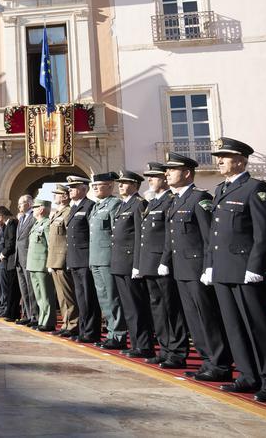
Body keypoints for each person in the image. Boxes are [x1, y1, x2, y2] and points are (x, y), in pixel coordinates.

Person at [206, 137, 266, 402]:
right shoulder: (221, 189)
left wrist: (256, 267)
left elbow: (264, 233)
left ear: (240, 160)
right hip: (223, 270)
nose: (219, 161)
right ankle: (248, 375)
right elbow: (214, 235)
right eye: (219, 157)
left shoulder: (255, 188)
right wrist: (210, 266)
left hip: (244, 270)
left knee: (258, 326)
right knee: (234, 327)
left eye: (224, 157)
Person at [162, 152, 232, 376]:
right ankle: (206, 361)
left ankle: (219, 363)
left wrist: (208, 267)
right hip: (181, 268)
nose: (167, 174)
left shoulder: (199, 199)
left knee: (207, 317)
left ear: (186, 173)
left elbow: (208, 237)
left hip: (197, 269)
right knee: (193, 318)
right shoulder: (176, 201)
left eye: (172, 170)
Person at [136, 161, 188, 366]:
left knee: (171, 308)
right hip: (150, 262)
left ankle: (177, 351)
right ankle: (165, 348)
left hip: (162, 263)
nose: (150, 179)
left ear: (165, 179)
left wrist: (165, 260)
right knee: (158, 308)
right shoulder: (154, 202)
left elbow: (169, 235)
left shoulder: (170, 200)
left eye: (155, 176)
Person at [112, 170, 155, 359]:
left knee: (137, 307)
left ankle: (144, 345)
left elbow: (140, 236)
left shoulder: (138, 204)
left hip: (131, 263)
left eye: (125, 182)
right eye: (120, 183)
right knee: (129, 307)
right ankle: (136, 343)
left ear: (136, 185)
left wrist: (138, 264)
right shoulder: (123, 205)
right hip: (120, 262)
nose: (120, 185)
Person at [88, 172, 127, 350]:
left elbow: (115, 234)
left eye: (99, 185)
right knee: (103, 298)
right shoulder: (97, 206)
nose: (95, 188)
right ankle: (111, 333)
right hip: (95, 257)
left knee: (113, 297)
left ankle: (118, 334)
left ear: (111, 186)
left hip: (107, 258)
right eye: (93, 186)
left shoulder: (114, 204)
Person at [65, 174, 101, 343]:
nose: (70, 190)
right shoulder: (74, 208)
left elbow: (92, 234)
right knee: (80, 297)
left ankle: (91, 331)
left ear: (83, 189)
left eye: (73, 187)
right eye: (70, 188)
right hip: (74, 259)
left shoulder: (89, 206)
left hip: (85, 258)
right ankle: (83, 328)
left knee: (89, 297)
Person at [47, 184, 77, 337]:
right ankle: (66, 323)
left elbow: (68, 238)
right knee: (61, 295)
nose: (54, 196)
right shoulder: (57, 213)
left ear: (65, 196)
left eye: (57, 193)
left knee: (68, 294)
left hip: (62, 258)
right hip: (54, 258)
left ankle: (73, 324)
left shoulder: (68, 212)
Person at [26, 199, 56, 331]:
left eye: (35, 207)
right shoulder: (37, 224)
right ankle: (42, 319)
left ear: (42, 209)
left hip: (42, 265)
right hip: (33, 264)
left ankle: (48, 322)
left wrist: (50, 263)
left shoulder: (47, 224)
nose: (33, 209)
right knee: (39, 295)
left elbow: (51, 245)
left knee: (46, 295)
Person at [15, 195, 36, 325]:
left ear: (29, 203)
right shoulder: (22, 218)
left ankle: (34, 316)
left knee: (31, 288)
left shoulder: (33, 217)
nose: (19, 206)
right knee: (24, 289)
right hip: (19, 258)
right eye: (19, 203)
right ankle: (27, 314)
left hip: (28, 258)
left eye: (21, 203)